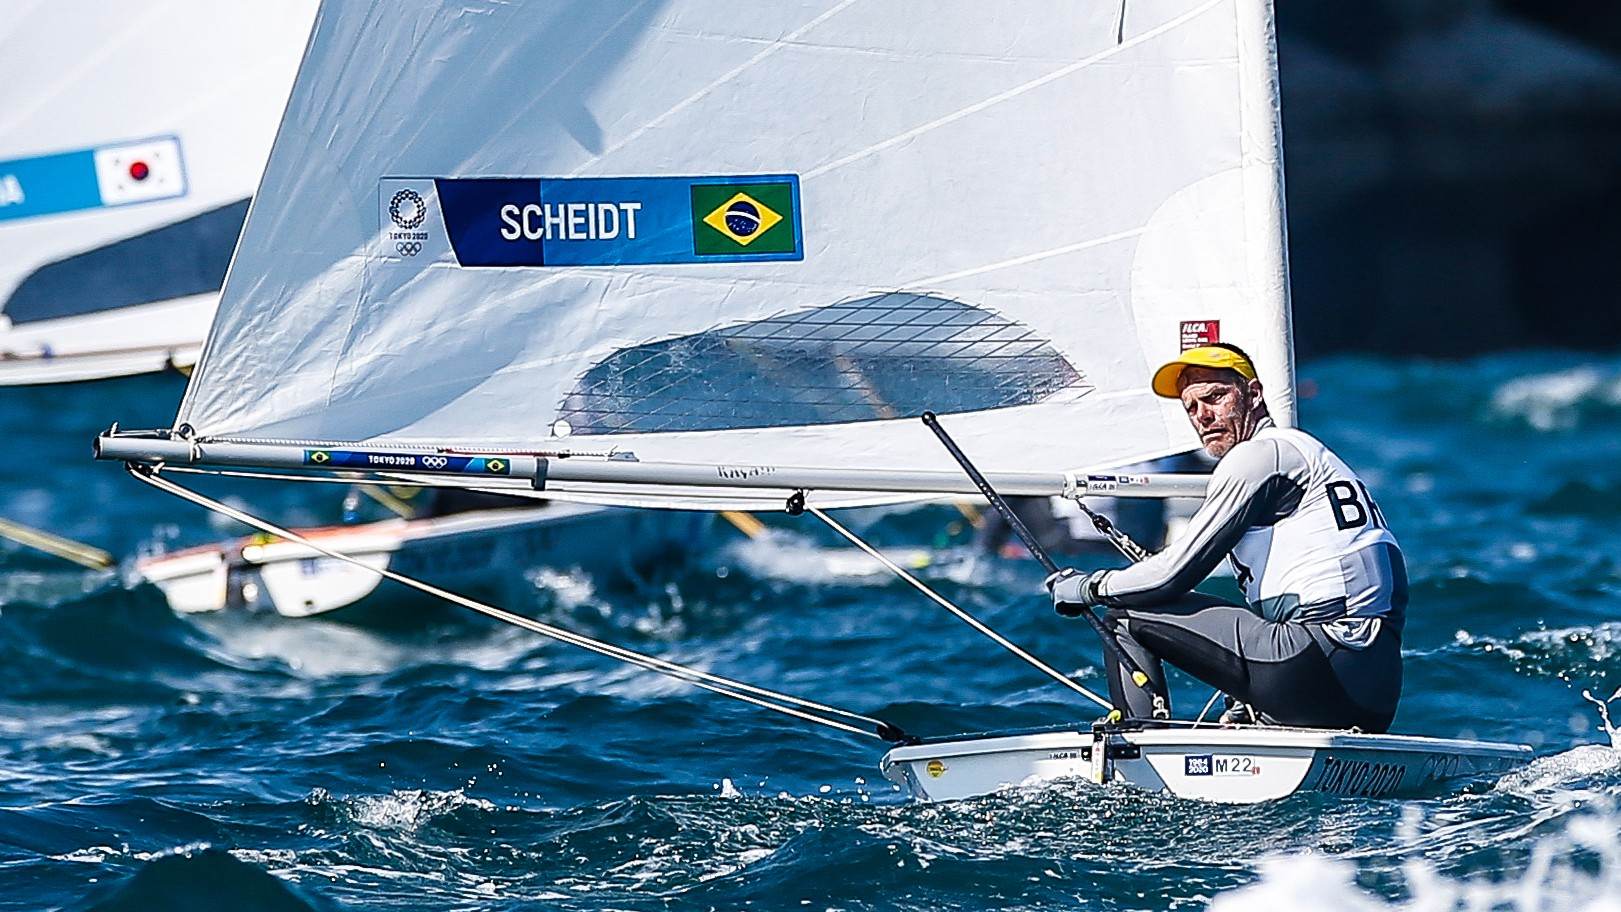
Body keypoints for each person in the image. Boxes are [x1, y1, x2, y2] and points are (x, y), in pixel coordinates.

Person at [1047, 343, 1406, 731]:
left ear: (1253, 394)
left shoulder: (1260, 456)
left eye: (1215, 397)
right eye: (1191, 408)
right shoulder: (1319, 458)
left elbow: (1171, 576)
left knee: (1124, 616)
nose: (1203, 416)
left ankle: (1137, 745)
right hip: (1376, 691)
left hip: (1316, 663)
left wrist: (1091, 587)